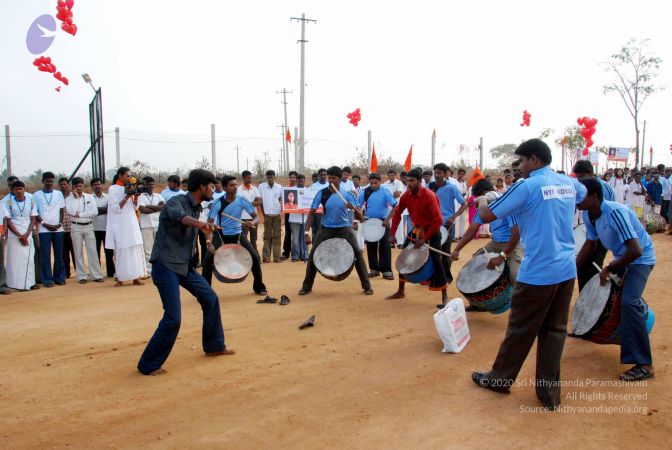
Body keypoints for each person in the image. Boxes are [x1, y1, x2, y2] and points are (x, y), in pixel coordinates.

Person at [471, 139, 586, 410]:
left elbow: (488, 215)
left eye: (521, 161)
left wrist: (482, 200)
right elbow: (585, 192)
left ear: (534, 159)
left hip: (537, 272)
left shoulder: (527, 185)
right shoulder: (568, 183)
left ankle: (500, 379)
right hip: (566, 269)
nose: (519, 167)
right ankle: (549, 396)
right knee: (555, 331)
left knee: (521, 329)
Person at [137, 169, 234, 376]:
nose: (213, 189)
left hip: (184, 267)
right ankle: (148, 364)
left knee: (210, 298)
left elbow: (201, 229)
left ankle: (214, 345)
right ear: (202, 187)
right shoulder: (175, 202)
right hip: (165, 266)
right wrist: (201, 224)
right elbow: (182, 219)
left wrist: (208, 242)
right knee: (173, 317)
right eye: (211, 186)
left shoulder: (198, 207)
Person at [576, 178, 655, 381]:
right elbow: (590, 245)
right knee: (605, 298)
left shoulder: (615, 212)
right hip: (623, 259)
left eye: (580, 195)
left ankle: (645, 364)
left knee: (629, 302)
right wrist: (571, 268)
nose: (576, 199)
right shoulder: (588, 215)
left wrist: (610, 267)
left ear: (594, 196)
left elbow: (636, 250)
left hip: (640, 259)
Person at [299, 166, 372, 296]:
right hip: (326, 229)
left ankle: (367, 286)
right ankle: (306, 287)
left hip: (344, 229)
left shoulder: (348, 194)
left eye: (333, 178)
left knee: (358, 255)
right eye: (329, 178)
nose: (331, 181)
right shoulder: (322, 193)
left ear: (339, 179)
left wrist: (354, 209)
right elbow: (311, 212)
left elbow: (361, 218)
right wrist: (306, 232)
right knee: (313, 256)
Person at [385, 169, 449, 306]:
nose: (409, 184)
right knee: (404, 257)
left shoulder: (429, 195)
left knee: (437, 260)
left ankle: (445, 296)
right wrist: (392, 233)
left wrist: (425, 238)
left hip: (432, 230)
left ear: (420, 182)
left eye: (412, 181)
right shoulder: (406, 196)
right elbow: (397, 213)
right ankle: (401, 291)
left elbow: (438, 220)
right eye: (407, 181)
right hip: (417, 230)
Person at [451, 179, 522, 289]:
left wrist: (501, 257)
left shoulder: (507, 203)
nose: (477, 203)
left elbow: (516, 235)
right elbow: (472, 230)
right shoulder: (483, 207)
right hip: (495, 243)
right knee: (473, 268)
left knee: (515, 276)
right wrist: (457, 249)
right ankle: (477, 304)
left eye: (478, 199)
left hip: (513, 244)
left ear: (485, 194)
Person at [204, 175, 267, 295]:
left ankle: (259, 287)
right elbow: (208, 225)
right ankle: (205, 291)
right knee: (207, 260)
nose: (235, 187)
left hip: (238, 235)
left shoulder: (242, 201)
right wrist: (209, 243)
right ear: (224, 188)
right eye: (231, 185)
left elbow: (256, 217)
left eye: (235, 185)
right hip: (221, 235)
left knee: (254, 257)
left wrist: (251, 222)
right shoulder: (218, 203)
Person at [572, 160, 616, 290]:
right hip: (590, 231)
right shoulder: (581, 188)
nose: (579, 180)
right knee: (582, 267)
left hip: (603, 232)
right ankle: (584, 298)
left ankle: (594, 303)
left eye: (582, 176)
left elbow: (606, 212)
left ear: (591, 173)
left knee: (593, 267)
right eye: (578, 177)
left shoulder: (603, 187)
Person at [428, 163, 468, 286]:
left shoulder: (452, 188)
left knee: (445, 252)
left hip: (447, 224)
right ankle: (434, 276)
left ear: (446, 174)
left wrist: (454, 216)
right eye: (435, 172)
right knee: (433, 251)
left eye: (439, 172)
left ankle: (446, 277)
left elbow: (465, 204)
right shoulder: (430, 186)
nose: (436, 175)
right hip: (433, 224)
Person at [105, 167, 146, 287]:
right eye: (127, 176)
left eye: (130, 176)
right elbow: (115, 208)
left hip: (132, 223)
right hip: (120, 224)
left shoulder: (130, 187)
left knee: (134, 249)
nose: (129, 178)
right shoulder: (113, 189)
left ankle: (136, 277)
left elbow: (135, 207)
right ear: (120, 175)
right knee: (121, 250)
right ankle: (120, 278)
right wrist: (127, 196)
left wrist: (136, 195)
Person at [358, 173, 397, 279]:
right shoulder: (365, 191)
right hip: (369, 221)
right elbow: (357, 206)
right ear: (369, 182)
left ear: (380, 182)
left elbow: (395, 206)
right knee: (371, 246)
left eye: (376, 183)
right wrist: (360, 216)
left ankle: (387, 271)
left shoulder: (385, 191)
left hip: (383, 222)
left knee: (385, 246)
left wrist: (388, 220)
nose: (374, 185)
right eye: (371, 183)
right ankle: (374, 270)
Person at [65, 177, 104, 284]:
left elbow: (94, 212)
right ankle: (81, 276)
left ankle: (96, 275)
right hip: (76, 226)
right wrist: (76, 198)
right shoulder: (69, 199)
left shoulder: (89, 197)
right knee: (77, 252)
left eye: (80, 185)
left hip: (89, 226)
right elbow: (72, 212)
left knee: (92, 251)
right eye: (76, 186)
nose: (78, 188)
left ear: (83, 185)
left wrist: (81, 215)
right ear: (72, 187)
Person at [4, 181, 39, 291]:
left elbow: (33, 219)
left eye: (20, 188)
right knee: (15, 259)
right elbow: (8, 221)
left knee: (28, 259)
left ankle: (29, 283)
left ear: (25, 189)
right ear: (13, 191)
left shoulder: (31, 201)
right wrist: (20, 236)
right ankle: (15, 284)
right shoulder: (8, 203)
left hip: (27, 231)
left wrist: (27, 234)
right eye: (16, 189)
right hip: (14, 233)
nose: (18, 191)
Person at [33, 172, 66, 288]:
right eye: (47, 181)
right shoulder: (36, 195)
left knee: (59, 254)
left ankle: (59, 278)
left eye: (51, 181)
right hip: (44, 230)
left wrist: (60, 223)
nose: (49, 183)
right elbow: (35, 213)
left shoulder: (58, 194)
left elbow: (62, 210)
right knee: (45, 255)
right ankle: (47, 280)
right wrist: (44, 224)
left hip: (58, 229)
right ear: (43, 181)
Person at [138, 176, 165, 273]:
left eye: (152, 184)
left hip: (158, 225)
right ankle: (149, 270)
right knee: (148, 249)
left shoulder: (158, 196)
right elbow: (143, 210)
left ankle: (160, 269)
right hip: (146, 226)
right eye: (149, 184)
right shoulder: (140, 196)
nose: (151, 186)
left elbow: (163, 207)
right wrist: (157, 208)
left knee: (159, 248)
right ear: (145, 185)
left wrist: (150, 206)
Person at [91, 178, 115, 278]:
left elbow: (112, 209)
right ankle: (97, 273)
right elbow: (91, 211)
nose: (97, 186)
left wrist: (97, 210)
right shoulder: (89, 198)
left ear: (102, 185)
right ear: (92, 186)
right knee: (95, 252)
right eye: (95, 185)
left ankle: (111, 272)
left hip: (107, 228)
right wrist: (103, 210)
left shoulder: (108, 197)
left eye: (99, 184)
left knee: (109, 252)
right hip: (93, 229)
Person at [259, 170, 283, 263]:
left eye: (271, 177)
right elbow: (260, 201)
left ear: (274, 177)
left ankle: (277, 257)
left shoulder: (279, 187)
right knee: (267, 236)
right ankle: (266, 257)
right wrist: (263, 213)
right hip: (267, 215)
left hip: (277, 214)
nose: (270, 178)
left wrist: (281, 210)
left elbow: (281, 199)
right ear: (266, 177)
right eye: (268, 177)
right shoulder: (261, 187)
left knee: (277, 236)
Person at [57, 177, 77, 278]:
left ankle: (79, 271)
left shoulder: (73, 196)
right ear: (58, 186)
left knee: (75, 251)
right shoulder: (57, 196)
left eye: (65, 184)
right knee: (64, 253)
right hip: (61, 229)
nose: (63, 186)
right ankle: (66, 273)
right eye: (61, 184)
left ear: (68, 185)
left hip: (73, 227)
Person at [237, 170, 261, 252]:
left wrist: (246, 204)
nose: (250, 180)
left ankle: (255, 256)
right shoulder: (238, 190)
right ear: (243, 178)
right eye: (248, 178)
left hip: (254, 217)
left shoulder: (254, 188)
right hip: (243, 218)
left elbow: (259, 202)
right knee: (243, 239)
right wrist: (252, 203)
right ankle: (244, 257)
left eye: (251, 178)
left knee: (254, 238)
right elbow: (239, 204)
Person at [288, 174, 309, 262]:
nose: (300, 181)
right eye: (299, 180)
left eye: (302, 180)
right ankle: (295, 256)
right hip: (294, 218)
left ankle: (304, 255)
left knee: (304, 238)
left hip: (305, 218)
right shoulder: (291, 191)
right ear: (297, 181)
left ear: (304, 180)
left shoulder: (309, 191)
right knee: (295, 239)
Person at [282, 171, 298, 261]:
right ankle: (286, 253)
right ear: (289, 178)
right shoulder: (285, 189)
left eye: (294, 177)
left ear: (296, 178)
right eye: (291, 177)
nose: (292, 179)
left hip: (298, 213)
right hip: (288, 213)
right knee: (288, 233)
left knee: (298, 234)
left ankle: (297, 253)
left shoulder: (299, 188)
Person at [310, 168, 329, 241]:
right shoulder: (313, 186)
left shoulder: (330, 185)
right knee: (316, 231)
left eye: (325, 175)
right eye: (321, 175)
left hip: (327, 212)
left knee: (326, 231)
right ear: (318, 176)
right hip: (316, 212)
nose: (323, 176)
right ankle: (315, 248)